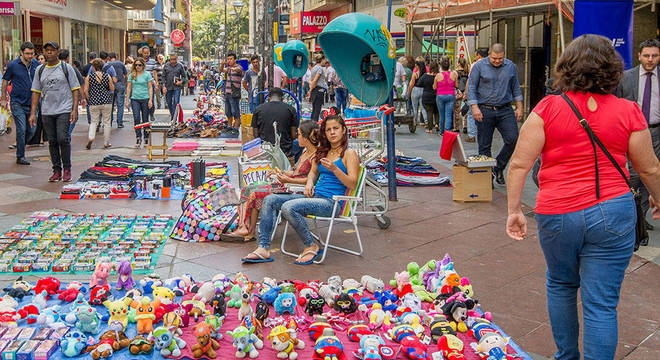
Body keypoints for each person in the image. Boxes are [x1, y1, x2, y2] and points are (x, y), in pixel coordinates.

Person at [506, 34, 660, 360]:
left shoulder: (547, 108)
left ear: (567, 67)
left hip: (557, 210)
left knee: (561, 284)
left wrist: (514, 209)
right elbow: (649, 170)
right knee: (601, 301)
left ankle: (566, 356)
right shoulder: (629, 111)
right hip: (613, 211)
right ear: (613, 70)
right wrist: (658, 199)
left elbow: (519, 164)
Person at [243, 115, 361, 264]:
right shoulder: (324, 151)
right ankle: (264, 247)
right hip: (315, 196)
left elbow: (353, 184)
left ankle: (311, 245)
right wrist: (309, 183)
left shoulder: (349, 153)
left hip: (332, 203)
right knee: (270, 199)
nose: (332, 132)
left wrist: (335, 169)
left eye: (335, 128)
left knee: (288, 207)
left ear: (344, 130)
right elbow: (312, 172)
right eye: (328, 129)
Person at [231, 121, 319, 246]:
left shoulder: (315, 156)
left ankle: (248, 230)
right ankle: (245, 227)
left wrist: (287, 179)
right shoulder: (305, 152)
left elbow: (310, 180)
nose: (296, 136)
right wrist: (280, 172)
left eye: (299, 134)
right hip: (287, 184)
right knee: (248, 188)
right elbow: (295, 172)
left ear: (306, 137)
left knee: (255, 193)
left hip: (295, 189)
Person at [616, 39, 660, 233]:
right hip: (632, 133)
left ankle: (641, 219)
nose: (650, 59)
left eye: (654, 56)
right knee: (634, 175)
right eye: (647, 55)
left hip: (656, 132)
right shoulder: (626, 77)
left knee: (650, 174)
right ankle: (630, 216)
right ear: (639, 56)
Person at [467, 43, 523, 185]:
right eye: (494, 58)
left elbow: (515, 87)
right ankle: (487, 178)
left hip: (505, 109)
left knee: (513, 139)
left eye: (500, 58)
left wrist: (519, 107)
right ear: (489, 55)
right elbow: (472, 87)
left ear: (504, 55)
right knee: (484, 145)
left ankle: (498, 167)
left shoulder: (510, 66)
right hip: (484, 109)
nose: (497, 61)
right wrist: (474, 107)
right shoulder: (479, 66)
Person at [29, 41, 80, 182]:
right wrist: (33, 113)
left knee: (62, 139)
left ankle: (67, 168)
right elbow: (35, 92)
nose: (49, 53)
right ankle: (56, 170)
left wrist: (74, 109)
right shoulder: (40, 70)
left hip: (64, 108)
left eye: (52, 50)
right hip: (47, 111)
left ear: (58, 52)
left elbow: (75, 89)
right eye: (47, 50)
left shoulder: (66, 68)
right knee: (52, 141)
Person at [1, 41, 40, 165]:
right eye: (27, 54)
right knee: (21, 129)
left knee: (32, 131)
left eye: (32, 54)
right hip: (17, 102)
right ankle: (20, 156)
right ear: (21, 53)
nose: (30, 56)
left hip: (33, 103)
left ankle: (21, 145)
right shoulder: (13, 65)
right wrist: (3, 98)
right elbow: (5, 81)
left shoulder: (36, 64)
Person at [251, 87, 298, 156]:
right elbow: (293, 135)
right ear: (282, 98)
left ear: (269, 98)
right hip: (284, 150)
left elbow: (255, 135)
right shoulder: (291, 109)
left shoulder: (258, 109)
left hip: (265, 149)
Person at [85, 58, 114, 149]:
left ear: (93, 67)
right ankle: (106, 142)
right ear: (102, 66)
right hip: (106, 101)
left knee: (94, 122)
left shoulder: (89, 77)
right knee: (107, 122)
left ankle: (91, 137)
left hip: (94, 102)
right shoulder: (107, 75)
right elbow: (112, 88)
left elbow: (86, 90)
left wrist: (90, 98)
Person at [125, 58, 153, 148]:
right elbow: (129, 88)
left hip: (145, 98)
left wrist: (150, 99)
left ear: (143, 66)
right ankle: (138, 137)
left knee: (145, 118)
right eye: (136, 65)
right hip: (135, 99)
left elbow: (150, 87)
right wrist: (127, 100)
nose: (138, 67)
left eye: (139, 65)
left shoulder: (147, 74)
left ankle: (146, 137)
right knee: (136, 117)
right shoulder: (132, 75)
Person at [57, 49, 84, 138]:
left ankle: (63, 135)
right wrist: (83, 97)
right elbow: (80, 84)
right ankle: (66, 134)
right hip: (71, 98)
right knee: (73, 117)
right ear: (67, 58)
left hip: (57, 99)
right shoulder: (72, 69)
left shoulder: (54, 69)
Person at [464, 48, 488, 142]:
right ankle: (482, 134)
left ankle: (471, 135)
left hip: (475, 93)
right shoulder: (489, 64)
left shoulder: (475, 65)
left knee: (471, 113)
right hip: (485, 94)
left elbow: (470, 81)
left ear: (478, 55)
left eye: (475, 55)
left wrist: (466, 93)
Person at [433, 56, 457, 135]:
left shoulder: (438, 75)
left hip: (440, 95)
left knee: (441, 114)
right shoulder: (454, 74)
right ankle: (447, 131)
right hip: (450, 95)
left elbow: (434, 87)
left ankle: (442, 132)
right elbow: (457, 85)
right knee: (449, 114)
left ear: (441, 66)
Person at [162, 54, 186, 121]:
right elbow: (163, 76)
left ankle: (173, 119)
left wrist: (181, 82)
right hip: (168, 87)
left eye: (174, 59)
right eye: (171, 59)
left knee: (176, 102)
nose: (173, 61)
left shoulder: (180, 66)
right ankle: (172, 113)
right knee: (168, 102)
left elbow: (184, 76)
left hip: (177, 87)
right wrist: (163, 86)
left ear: (177, 59)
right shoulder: (166, 66)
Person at [222, 53, 243, 129]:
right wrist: (222, 64)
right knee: (228, 112)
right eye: (228, 59)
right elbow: (221, 70)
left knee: (235, 111)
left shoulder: (238, 67)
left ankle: (236, 127)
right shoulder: (228, 68)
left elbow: (239, 70)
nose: (229, 60)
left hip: (234, 93)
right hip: (227, 92)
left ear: (235, 60)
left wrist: (233, 69)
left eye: (231, 59)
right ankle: (229, 126)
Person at [107, 52, 128, 128]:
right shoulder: (121, 64)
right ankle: (119, 122)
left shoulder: (107, 65)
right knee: (120, 104)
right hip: (120, 85)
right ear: (116, 56)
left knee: (110, 105)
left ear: (109, 57)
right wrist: (124, 82)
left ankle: (109, 122)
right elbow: (126, 75)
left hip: (110, 86)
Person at [139, 46, 158, 122]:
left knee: (151, 99)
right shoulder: (139, 62)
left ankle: (151, 113)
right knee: (142, 100)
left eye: (147, 53)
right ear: (142, 53)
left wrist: (156, 83)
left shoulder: (153, 61)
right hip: (141, 84)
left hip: (150, 83)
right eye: (145, 53)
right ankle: (144, 113)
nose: (146, 54)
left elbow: (155, 73)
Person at [419, 62, 439, 133]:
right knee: (436, 111)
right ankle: (437, 124)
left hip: (427, 96)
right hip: (436, 95)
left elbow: (419, 83)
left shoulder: (425, 76)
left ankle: (430, 129)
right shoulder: (438, 76)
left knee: (429, 112)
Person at [407, 60, 428, 125]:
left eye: (416, 66)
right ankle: (426, 120)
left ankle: (415, 121)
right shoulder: (425, 74)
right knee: (423, 107)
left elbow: (411, 84)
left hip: (415, 90)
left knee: (415, 107)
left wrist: (408, 92)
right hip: (423, 90)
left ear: (418, 66)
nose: (415, 67)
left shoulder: (415, 74)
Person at [308, 54, 328, 122]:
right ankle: (314, 126)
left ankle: (311, 124)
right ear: (322, 60)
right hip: (319, 91)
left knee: (314, 109)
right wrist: (310, 90)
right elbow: (315, 80)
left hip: (314, 90)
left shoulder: (314, 68)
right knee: (317, 110)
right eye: (324, 59)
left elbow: (310, 80)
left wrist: (311, 88)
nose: (325, 61)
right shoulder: (319, 68)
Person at [455, 57, 469, 134]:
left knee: (457, 110)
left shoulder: (456, 72)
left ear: (459, 63)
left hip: (458, 92)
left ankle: (457, 127)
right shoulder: (467, 72)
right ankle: (465, 126)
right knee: (465, 109)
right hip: (466, 92)